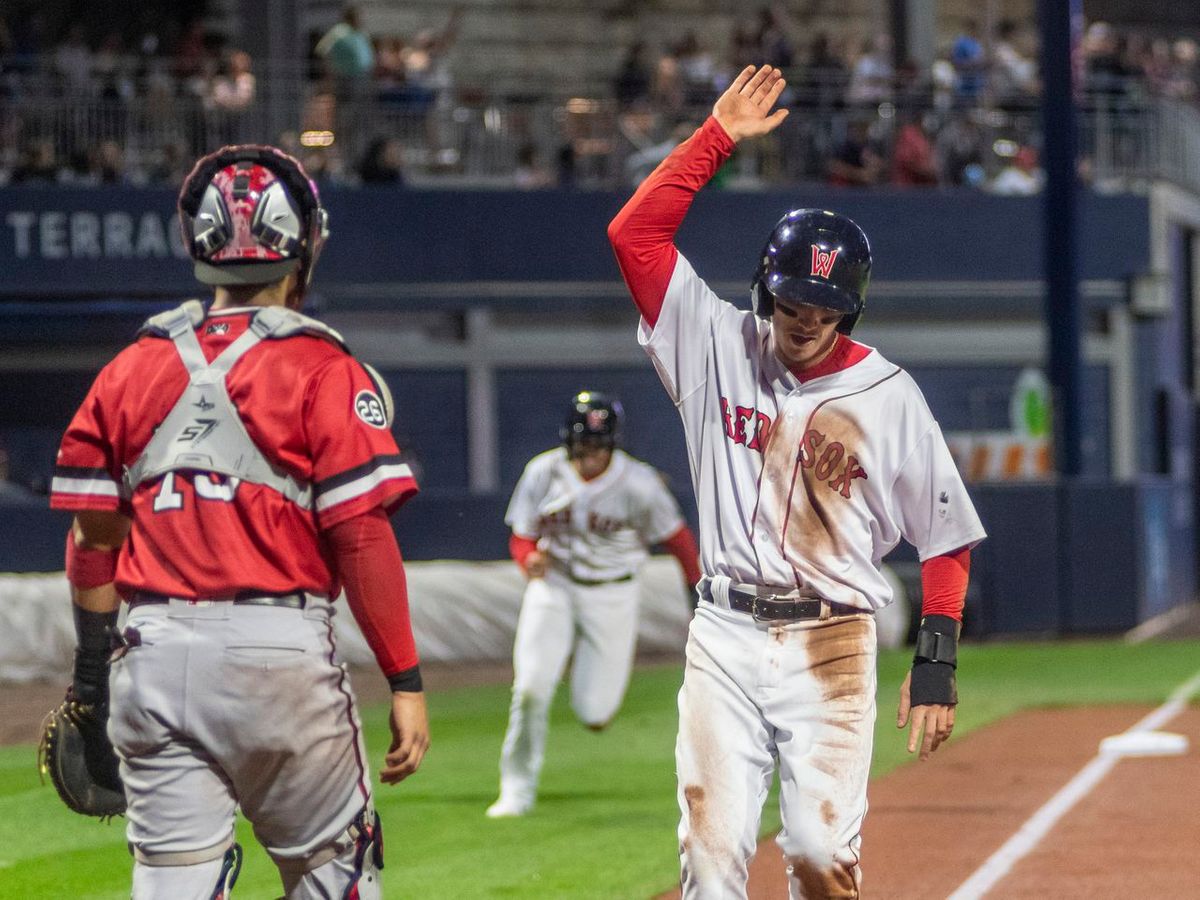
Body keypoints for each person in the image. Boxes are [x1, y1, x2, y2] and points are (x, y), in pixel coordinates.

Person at [608, 65, 986, 898]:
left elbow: (947, 534)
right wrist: (715, 140)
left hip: (833, 642)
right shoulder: (712, 344)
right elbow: (634, 237)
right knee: (709, 857)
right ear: (763, 292)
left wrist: (937, 660)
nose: (804, 322)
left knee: (819, 859)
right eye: (791, 304)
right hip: (724, 635)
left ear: (849, 311)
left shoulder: (888, 396)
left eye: (823, 310)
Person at [49, 144, 429, 899]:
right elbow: (359, 534)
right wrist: (406, 680)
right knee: (334, 874)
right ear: (305, 244)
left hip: (150, 655)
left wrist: (91, 681)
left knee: (173, 884)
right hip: (275, 655)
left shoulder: (129, 366)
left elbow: (93, 540)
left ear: (198, 242)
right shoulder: (325, 367)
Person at [486, 391, 702, 818]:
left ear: (613, 445)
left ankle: (577, 663)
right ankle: (516, 791)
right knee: (529, 688)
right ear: (569, 441)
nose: (590, 456)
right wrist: (527, 557)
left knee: (595, 712)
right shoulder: (544, 471)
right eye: (584, 446)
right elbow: (522, 533)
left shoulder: (639, 483)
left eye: (599, 447)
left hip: (613, 593)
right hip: (555, 587)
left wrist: (697, 596)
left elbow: (678, 542)